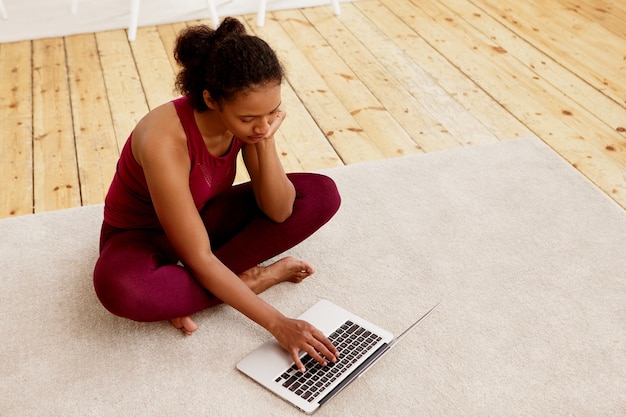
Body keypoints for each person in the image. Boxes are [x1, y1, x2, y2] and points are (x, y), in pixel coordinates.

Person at [93, 17, 341, 372]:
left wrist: (264, 140)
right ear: (211, 99)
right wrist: (278, 322)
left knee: (321, 195)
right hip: (139, 237)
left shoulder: (253, 125)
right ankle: (249, 280)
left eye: (272, 112)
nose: (263, 124)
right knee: (121, 289)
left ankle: (188, 293)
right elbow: (199, 257)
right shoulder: (163, 139)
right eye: (249, 118)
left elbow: (279, 211)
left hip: (202, 216)